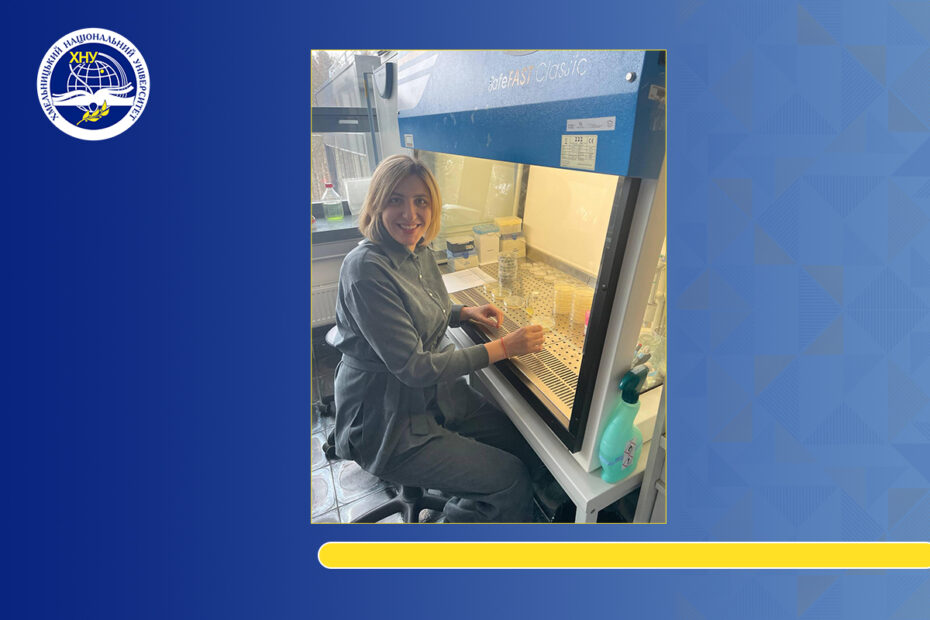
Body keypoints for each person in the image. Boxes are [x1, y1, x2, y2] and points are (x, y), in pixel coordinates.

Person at [331, 154, 547, 523]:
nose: (410, 214)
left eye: (421, 201)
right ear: (377, 204)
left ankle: (473, 504)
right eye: (395, 200)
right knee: (509, 480)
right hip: (387, 421)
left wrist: (463, 312)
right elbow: (415, 368)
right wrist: (503, 347)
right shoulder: (365, 269)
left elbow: (427, 307)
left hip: (434, 397)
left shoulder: (418, 248)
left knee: (522, 444)